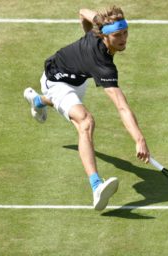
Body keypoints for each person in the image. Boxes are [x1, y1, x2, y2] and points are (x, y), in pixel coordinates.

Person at [23, 6, 150, 211]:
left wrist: (86, 33)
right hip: (55, 79)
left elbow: (82, 11)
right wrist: (139, 139)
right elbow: (121, 106)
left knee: (66, 106)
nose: (124, 39)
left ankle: (38, 101)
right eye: (118, 35)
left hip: (79, 78)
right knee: (85, 121)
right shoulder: (103, 65)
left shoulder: (100, 25)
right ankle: (96, 186)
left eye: (125, 32)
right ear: (105, 36)